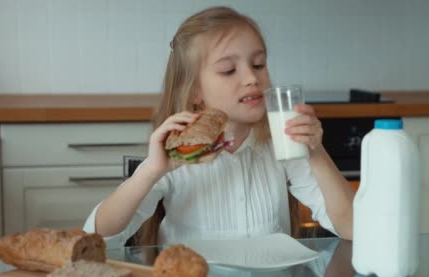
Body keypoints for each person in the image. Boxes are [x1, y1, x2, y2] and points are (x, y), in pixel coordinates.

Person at [83, 6, 355, 248]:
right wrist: (151, 172)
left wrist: (316, 151)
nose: (252, 78)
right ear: (194, 92)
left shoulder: (281, 145)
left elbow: (352, 227)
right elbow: (100, 235)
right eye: (228, 70)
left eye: (258, 64)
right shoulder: (176, 156)